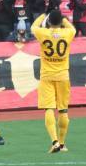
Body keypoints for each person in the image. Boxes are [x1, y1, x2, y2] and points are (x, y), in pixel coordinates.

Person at [31, 10, 76, 153]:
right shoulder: (67, 33)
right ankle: (62, 144)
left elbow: (33, 27)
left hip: (47, 76)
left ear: (49, 22)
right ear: (61, 22)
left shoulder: (43, 33)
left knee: (48, 108)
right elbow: (73, 28)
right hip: (63, 76)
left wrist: (43, 15)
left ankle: (54, 141)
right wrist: (63, 19)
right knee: (63, 110)